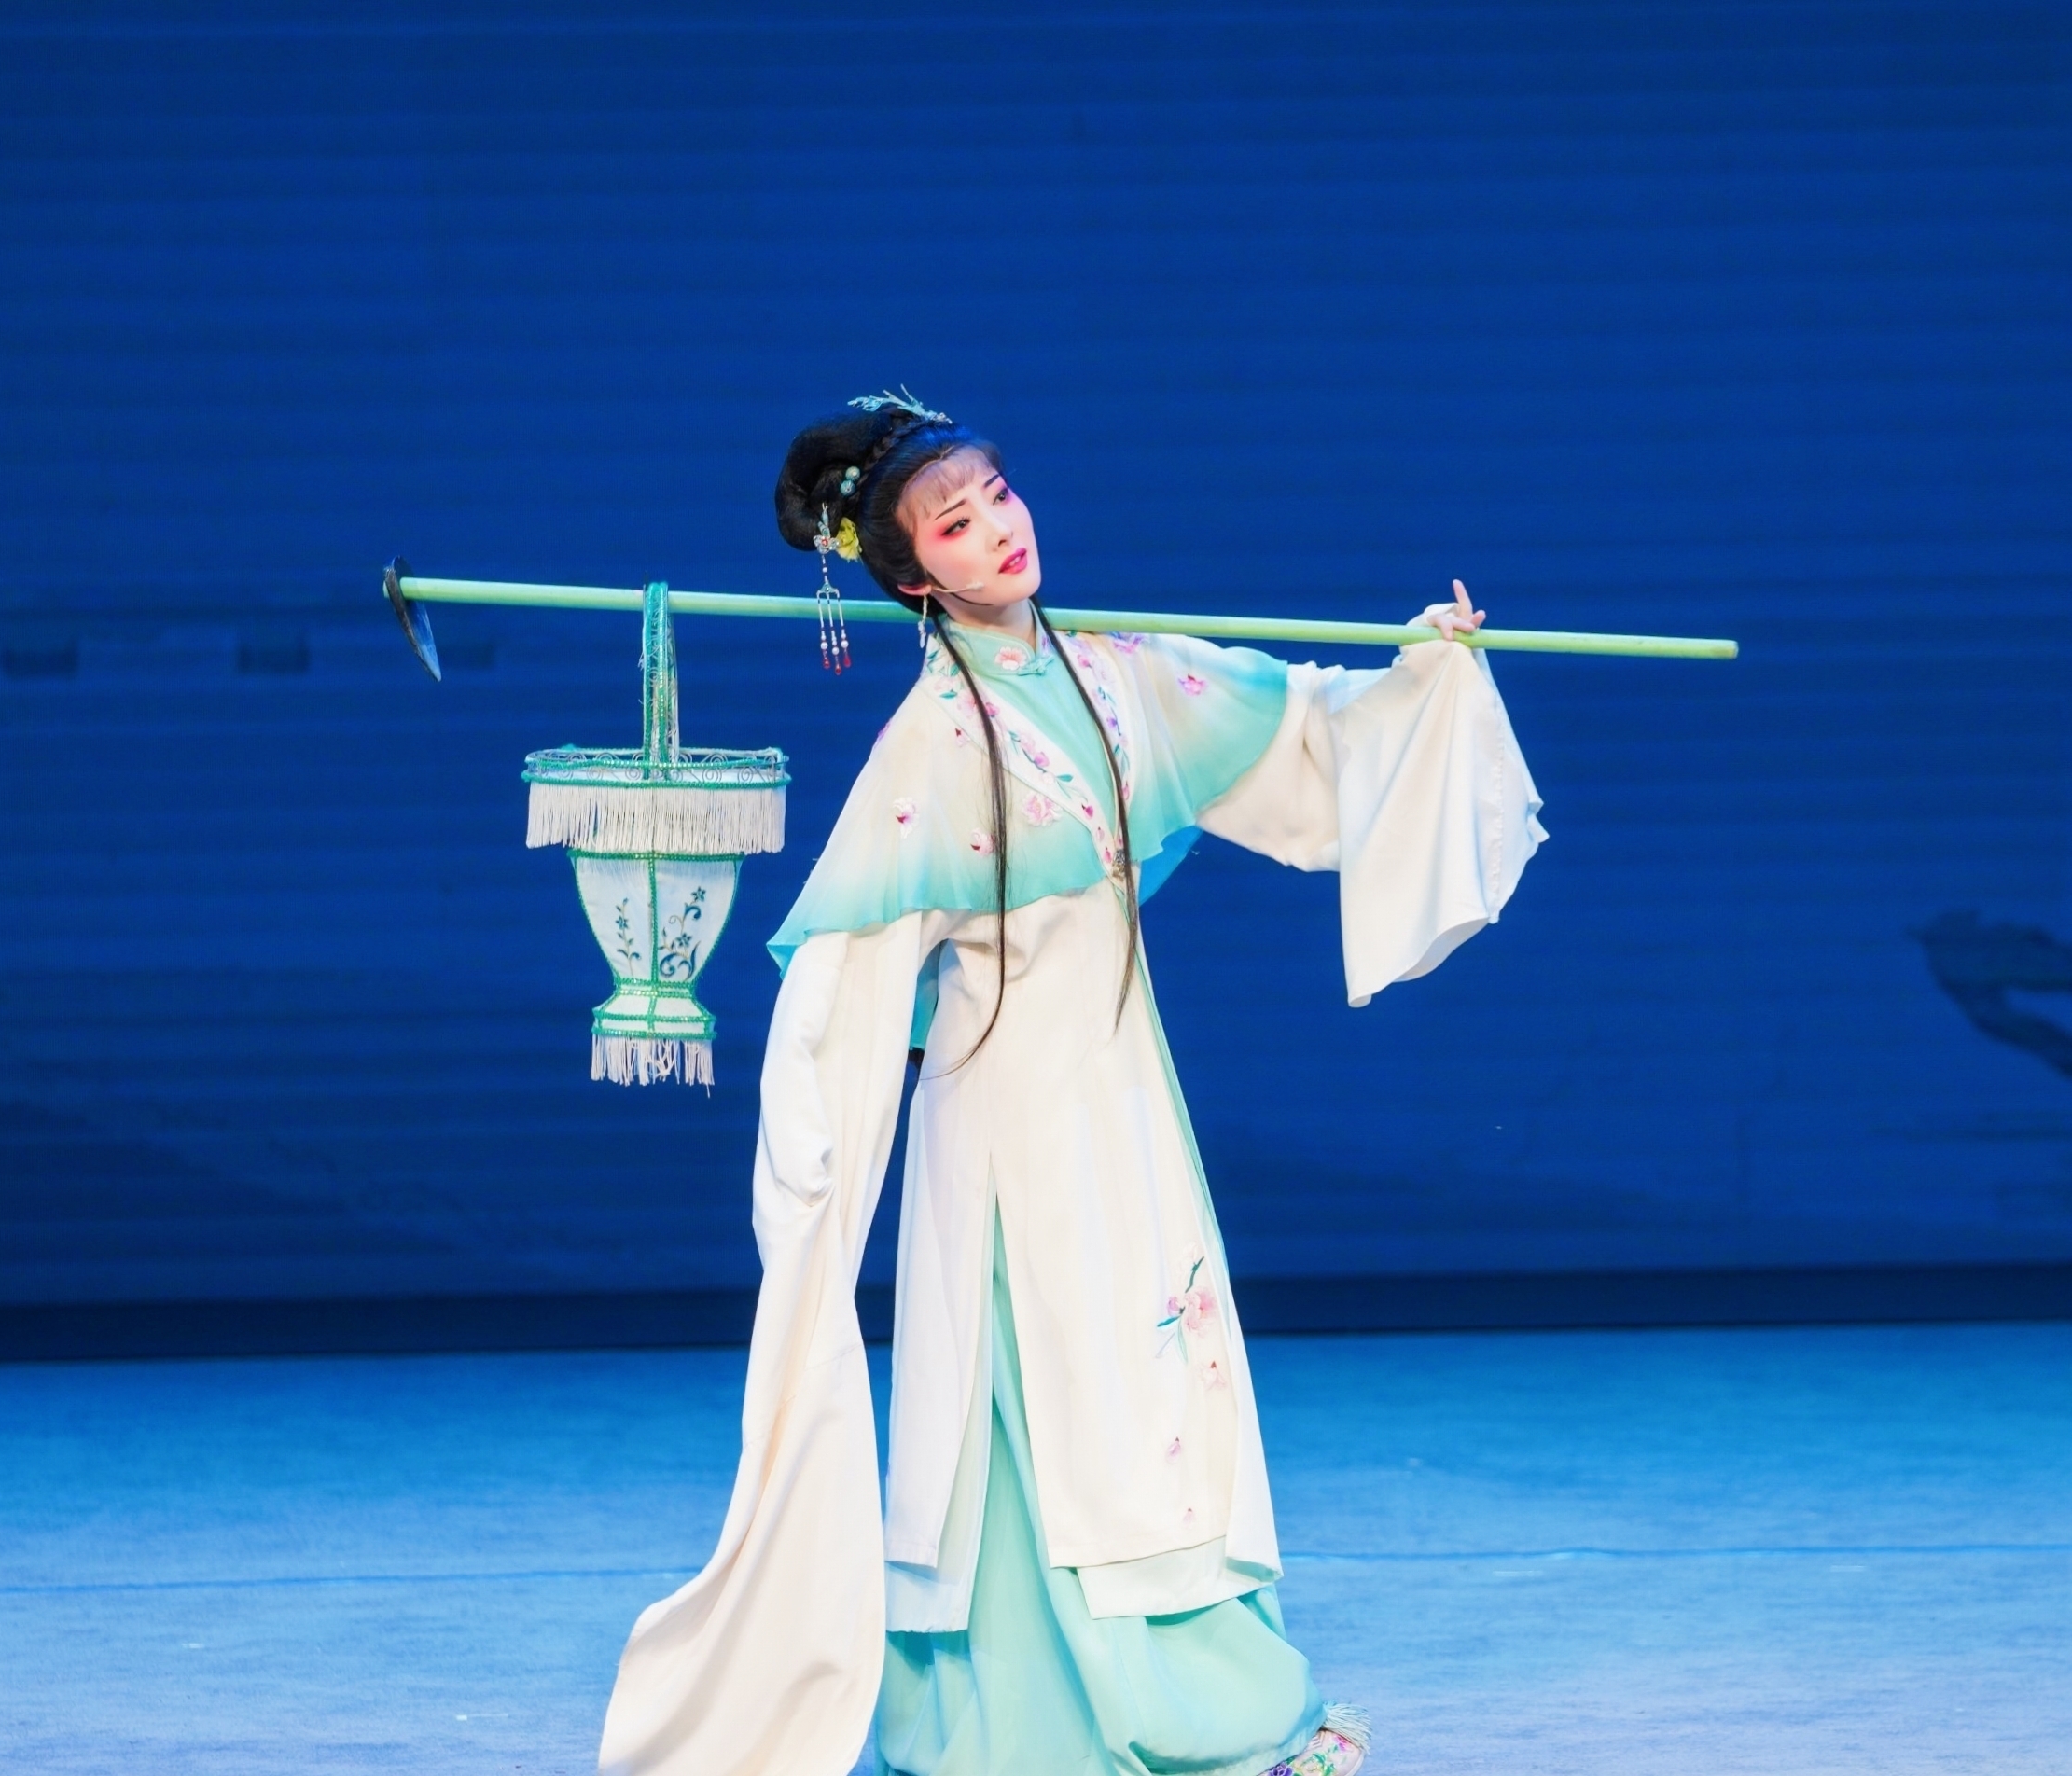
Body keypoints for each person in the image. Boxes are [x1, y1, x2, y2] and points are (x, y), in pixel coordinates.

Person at [596, 395, 1543, 1776]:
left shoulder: (1118, 675)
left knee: (1149, 1376)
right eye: (955, 523)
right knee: (1047, 1385)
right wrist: (807, 1131)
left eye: (999, 494)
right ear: (916, 577)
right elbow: (849, 960)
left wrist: (1422, 669)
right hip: (1005, 1120)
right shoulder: (931, 741)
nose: (999, 529)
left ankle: (1181, 1686)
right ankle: (1033, 1714)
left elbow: (1302, 730)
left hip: (1125, 1096)